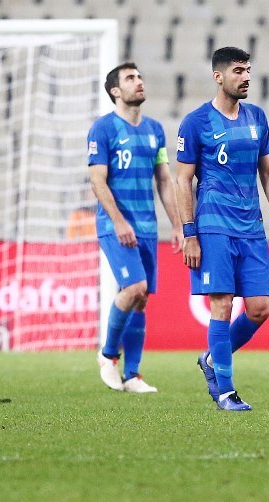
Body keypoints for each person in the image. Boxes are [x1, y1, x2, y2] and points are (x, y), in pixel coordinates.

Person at [175, 46, 269, 412]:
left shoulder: (257, 117)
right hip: (214, 227)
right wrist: (189, 233)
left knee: (260, 309)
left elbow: (268, 172)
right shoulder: (196, 122)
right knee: (222, 304)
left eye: (248, 70)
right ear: (219, 76)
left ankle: (212, 359)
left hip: (251, 227)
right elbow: (183, 180)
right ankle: (226, 392)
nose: (246, 77)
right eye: (238, 71)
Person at [88, 62, 183, 393]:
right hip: (115, 225)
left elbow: (164, 180)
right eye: (130, 78)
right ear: (116, 91)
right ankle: (107, 356)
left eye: (140, 76)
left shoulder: (155, 130)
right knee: (134, 288)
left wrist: (177, 225)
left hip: (147, 227)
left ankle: (132, 376)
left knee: (141, 299)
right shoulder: (103, 129)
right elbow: (97, 180)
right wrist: (118, 221)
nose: (139, 81)